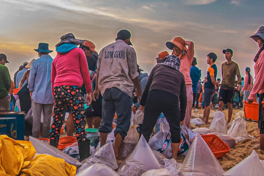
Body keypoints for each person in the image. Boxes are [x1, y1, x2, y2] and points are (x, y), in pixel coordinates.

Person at [94, 29, 141, 158]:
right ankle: (115, 153)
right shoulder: (128, 49)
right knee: (122, 122)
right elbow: (133, 73)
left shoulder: (104, 50)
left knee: (106, 121)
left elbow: (98, 71)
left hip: (106, 88)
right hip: (122, 88)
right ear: (127, 40)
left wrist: (97, 88)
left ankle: (102, 150)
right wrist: (138, 88)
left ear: (116, 38)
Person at [50, 33, 92, 160]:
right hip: (73, 87)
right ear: (73, 42)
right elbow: (85, 72)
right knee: (79, 120)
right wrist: (89, 91)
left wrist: (54, 96)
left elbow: (52, 79)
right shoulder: (79, 51)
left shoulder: (56, 58)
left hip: (58, 88)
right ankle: (84, 156)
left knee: (57, 120)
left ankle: (52, 152)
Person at [139, 53, 187, 159]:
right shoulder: (180, 75)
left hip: (154, 96)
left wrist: (142, 105)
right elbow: (183, 98)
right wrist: (181, 117)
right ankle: (174, 156)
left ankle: (141, 153)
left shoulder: (157, 67)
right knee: (175, 128)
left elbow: (147, 87)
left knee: (147, 127)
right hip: (171, 99)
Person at [166, 36, 194, 127]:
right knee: (175, 109)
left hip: (186, 86)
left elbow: (191, 44)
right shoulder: (172, 59)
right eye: (174, 47)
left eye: (177, 47)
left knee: (186, 110)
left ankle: (185, 130)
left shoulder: (188, 57)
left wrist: (183, 42)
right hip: (175, 86)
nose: (175, 49)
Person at [28, 43, 54, 138]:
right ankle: (45, 139)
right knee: (47, 119)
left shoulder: (36, 62)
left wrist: (30, 90)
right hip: (50, 95)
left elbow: (31, 79)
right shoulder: (53, 62)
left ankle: (35, 140)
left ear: (39, 52)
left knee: (36, 119)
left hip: (37, 94)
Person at [218, 49, 242, 123]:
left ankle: (228, 120)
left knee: (229, 104)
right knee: (220, 103)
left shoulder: (235, 65)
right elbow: (223, 75)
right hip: (223, 86)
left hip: (230, 87)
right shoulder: (223, 65)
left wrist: (239, 84)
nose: (226, 55)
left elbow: (238, 75)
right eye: (225, 53)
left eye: (228, 53)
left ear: (231, 54)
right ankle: (218, 119)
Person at [202, 52, 218, 124]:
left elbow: (212, 79)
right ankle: (204, 118)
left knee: (207, 104)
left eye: (208, 58)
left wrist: (215, 86)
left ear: (211, 59)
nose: (207, 60)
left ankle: (206, 120)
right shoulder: (213, 66)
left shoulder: (211, 67)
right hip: (210, 87)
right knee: (206, 104)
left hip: (208, 87)